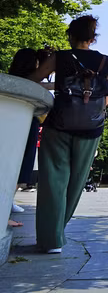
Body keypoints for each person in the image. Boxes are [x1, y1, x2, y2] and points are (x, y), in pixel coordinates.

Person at [29, 15, 108, 253]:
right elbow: (106, 96)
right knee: (76, 181)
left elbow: (33, 79)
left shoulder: (61, 57)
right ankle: (58, 231)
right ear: (93, 38)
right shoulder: (105, 61)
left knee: (53, 179)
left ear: (70, 35)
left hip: (60, 124)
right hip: (92, 127)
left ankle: (52, 239)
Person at [7, 48, 43, 229]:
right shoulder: (30, 83)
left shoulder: (11, 81)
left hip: (14, 123)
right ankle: (3, 211)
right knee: (17, 168)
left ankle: (5, 208)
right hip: (26, 123)